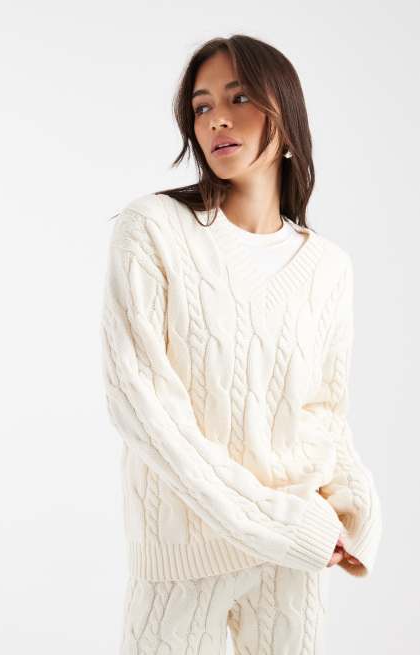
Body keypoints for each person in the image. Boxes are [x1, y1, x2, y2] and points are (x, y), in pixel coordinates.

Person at [100, 34, 383, 654]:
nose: (217, 119)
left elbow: (325, 413)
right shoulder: (153, 230)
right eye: (201, 106)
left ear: (286, 114)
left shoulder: (329, 266)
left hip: (293, 562)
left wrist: (355, 503)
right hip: (185, 554)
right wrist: (268, 520)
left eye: (240, 97)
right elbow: (140, 405)